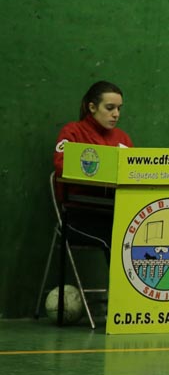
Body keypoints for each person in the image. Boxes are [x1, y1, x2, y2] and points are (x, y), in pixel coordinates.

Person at [53, 81, 133, 250]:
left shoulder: (122, 138)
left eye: (119, 108)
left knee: (141, 237)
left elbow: (133, 173)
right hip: (79, 216)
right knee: (119, 242)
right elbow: (61, 165)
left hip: (115, 213)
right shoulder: (73, 132)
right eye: (110, 108)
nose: (116, 114)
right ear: (92, 107)